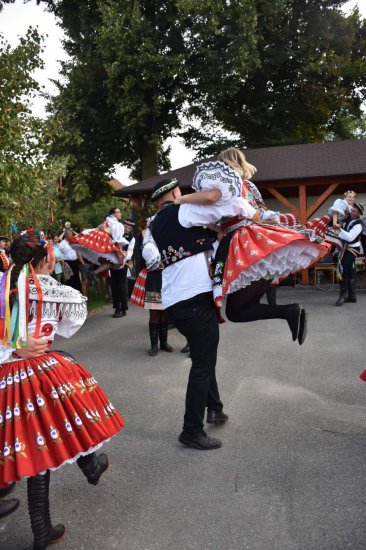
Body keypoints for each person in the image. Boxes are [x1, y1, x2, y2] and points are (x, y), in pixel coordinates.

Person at [0, 231, 123, 549]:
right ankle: (89, 470)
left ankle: (44, 527)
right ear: (44, 261)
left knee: (35, 448)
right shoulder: (51, 289)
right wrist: (26, 340)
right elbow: (71, 325)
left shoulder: (2, 286)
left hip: (6, 381)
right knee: (67, 421)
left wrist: (12, 347)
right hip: (42, 374)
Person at [175, 149, 330, 344]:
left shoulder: (225, 184)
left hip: (243, 244)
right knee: (240, 309)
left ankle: (288, 312)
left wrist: (180, 199)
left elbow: (211, 198)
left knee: (236, 311)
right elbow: (262, 213)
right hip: (261, 243)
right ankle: (288, 312)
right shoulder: (249, 186)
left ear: (223, 165)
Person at [151, 178, 259, 450]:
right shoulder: (182, 211)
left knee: (203, 356)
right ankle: (191, 430)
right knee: (203, 364)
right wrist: (250, 209)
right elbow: (223, 207)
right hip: (194, 298)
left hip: (175, 300)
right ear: (175, 193)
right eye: (182, 192)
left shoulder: (157, 222)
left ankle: (215, 408)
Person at [130, 217, 174, 356]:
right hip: (154, 281)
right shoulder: (148, 246)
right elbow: (159, 264)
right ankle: (154, 345)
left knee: (165, 315)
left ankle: (164, 343)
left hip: (166, 281)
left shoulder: (166, 241)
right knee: (154, 315)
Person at [70, 208, 129, 275]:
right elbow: (117, 240)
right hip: (104, 242)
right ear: (113, 214)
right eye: (118, 212)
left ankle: (92, 273)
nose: (120, 213)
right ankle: (93, 273)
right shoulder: (117, 224)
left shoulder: (107, 220)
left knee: (110, 263)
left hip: (99, 241)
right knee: (115, 263)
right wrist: (120, 252)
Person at [334, 202, 364, 306]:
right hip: (346, 248)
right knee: (350, 270)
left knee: (343, 270)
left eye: (354, 211)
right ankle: (352, 296)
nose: (351, 212)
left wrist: (339, 229)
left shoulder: (359, 224)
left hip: (351, 248)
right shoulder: (349, 219)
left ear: (358, 213)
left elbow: (350, 238)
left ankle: (343, 296)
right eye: (352, 210)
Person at [109, 219, 136, 318]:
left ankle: (123, 308)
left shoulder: (132, 238)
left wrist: (124, 258)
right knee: (114, 284)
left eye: (129, 228)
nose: (127, 229)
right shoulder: (116, 234)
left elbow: (130, 252)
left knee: (121, 286)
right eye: (126, 227)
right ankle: (117, 307)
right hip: (113, 262)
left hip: (122, 263)